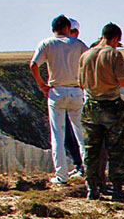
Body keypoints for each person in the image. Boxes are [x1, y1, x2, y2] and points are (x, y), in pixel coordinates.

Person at [29, 14, 86, 185]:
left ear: (53, 29)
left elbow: (33, 65)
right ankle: (89, 172)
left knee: (57, 136)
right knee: (81, 135)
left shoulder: (47, 44)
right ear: (68, 28)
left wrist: (41, 85)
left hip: (57, 92)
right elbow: (88, 63)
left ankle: (61, 177)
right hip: (76, 91)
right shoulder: (78, 44)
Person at [78, 22, 124, 202]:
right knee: (115, 148)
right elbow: (123, 82)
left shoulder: (85, 55)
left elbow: (80, 83)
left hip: (90, 106)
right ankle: (116, 188)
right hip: (111, 104)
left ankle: (92, 188)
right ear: (115, 38)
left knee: (91, 149)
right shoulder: (114, 54)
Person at [61, 19, 88, 179]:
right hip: (73, 93)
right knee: (69, 135)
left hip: (75, 94)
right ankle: (78, 165)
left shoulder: (79, 47)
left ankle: (83, 167)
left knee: (78, 134)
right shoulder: (77, 47)